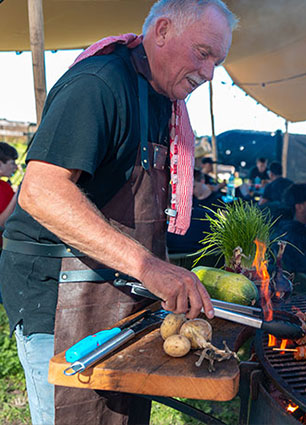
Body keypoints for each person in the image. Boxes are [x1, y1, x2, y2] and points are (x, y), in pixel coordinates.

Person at [0, 1, 231, 422]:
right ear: (161, 32)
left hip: (118, 292)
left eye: (218, 60)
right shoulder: (100, 83)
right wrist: (148, 266)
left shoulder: (163, 100)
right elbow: (41, 191)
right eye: (203, 53)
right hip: (59, 295)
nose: (211, 72)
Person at [168, 170, 227, 254]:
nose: (190, 190)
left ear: (202, 181)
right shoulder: (190, 202)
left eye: (193, 186)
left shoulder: (219, 201)